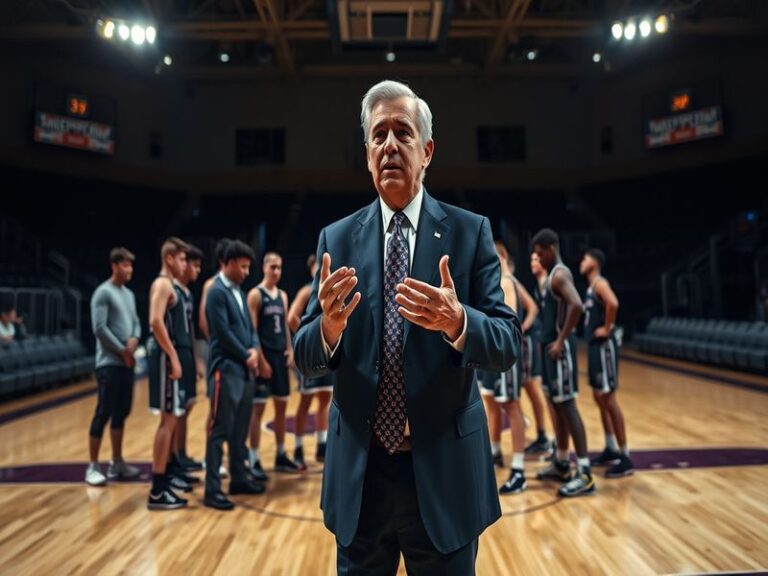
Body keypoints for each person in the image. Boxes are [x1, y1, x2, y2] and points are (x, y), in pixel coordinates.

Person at [294, 80, 520, 574]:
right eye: (378, 135)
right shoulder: (335, 238)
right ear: (367, 152)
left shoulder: (469, 231)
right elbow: (303, 354)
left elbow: (507, 344)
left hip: (442, 474)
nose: (390, 145)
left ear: (428, 150)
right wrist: (328, 328)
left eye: (403, 132)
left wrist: (459, 321)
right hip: (361, 478)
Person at [532, 228, 596, 498]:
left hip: (560, 353)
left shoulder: (559, 274)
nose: (537, 257)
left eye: (539, 252)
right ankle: (560, 462)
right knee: (557, 407)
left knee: (568, 407)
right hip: (550, 353)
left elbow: (577, 305)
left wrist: (560, 340)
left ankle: (585, 473)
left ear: (552, 247)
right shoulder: (549, 277)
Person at [204, 240, 267, 511]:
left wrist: (253, 349)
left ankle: (239, 478)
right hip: (225, 369)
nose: (245, 271)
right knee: (220, 430)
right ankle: (212, 489)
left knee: (240, 429)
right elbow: (221, 332)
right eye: (242, 266)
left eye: (247, 267)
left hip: (243, 369)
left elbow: (249, 328)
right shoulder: (216, 292)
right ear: (228, 263)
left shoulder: (239, 291)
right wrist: (246, 353)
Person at [85, 247, 142, 487]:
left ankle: (117, 461)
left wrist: (135, 339)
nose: (130, 270)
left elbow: (137, 323)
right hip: (109, 363)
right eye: (126, 265)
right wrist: (122, 350)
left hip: (126, 362)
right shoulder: (102, 293)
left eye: (131, 265)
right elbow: (99, 329)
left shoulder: (128, 294)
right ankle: (92, 466)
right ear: (115, 266)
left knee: (122, 411)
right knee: (104, 411)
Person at [579, 248, 634, 477]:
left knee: (609, 398)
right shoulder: (591, 287)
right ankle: (611, 447)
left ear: (595, 262)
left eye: (585, 258)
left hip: (604, 349)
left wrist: (607, 328)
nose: (582, 261)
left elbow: (613, 303)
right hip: (594, 348)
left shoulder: (600, 283)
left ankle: (625, 456)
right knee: (599, 396)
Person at [147, 237, 190, 510]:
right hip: (165, 359)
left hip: (170, 358)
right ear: (169, 258)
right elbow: (155, 321)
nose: (185, 265)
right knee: (168, 420)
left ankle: (166, 478)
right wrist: (173, 356)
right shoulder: (162, 284)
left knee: (172, 420)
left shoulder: (172, 285)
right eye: (182, 259)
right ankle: (157, 490)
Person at [247, 252, 300, 477]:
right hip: (264, 357)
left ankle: (280, 455)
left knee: (281, 407)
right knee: (257, 410)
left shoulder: (283, 295)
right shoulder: (255, 295)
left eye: (279, 268)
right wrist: (261, 360)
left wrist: (290, 349)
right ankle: (254, 459)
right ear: (264, 268)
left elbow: (286, 328)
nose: (276, 272)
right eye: (272, 268)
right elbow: (252, 331)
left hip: (280, 356)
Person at [289, 254, 334, 469]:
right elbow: (291, 318)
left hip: (326, 353)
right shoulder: (307, 290)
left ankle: (322, 445)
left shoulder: (331, 288)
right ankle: (298, 449)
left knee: (325, 398)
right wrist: (308, 339)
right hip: (312, 353)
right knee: (305, 402)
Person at [171, 244, 205, 472]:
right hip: (175, 353)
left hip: (187, 353)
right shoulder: (170, 290)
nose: (197, 270)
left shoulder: (188, 293)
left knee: (188, 405)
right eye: (193, 264)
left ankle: (181, 453)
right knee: (176, 409)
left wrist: (196, 359)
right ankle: (173, 457)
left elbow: (191, 331)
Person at [524, 252, 553, 455]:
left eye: (536, 259)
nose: (533, 262)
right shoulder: (539, 284)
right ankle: (543, 435)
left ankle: (548, 438)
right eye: (532, 259)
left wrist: (522, 328)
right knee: (536, 389)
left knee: (539, 390)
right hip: (541, 341)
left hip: (539, 341)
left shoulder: (552, 281)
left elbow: (533, 309)